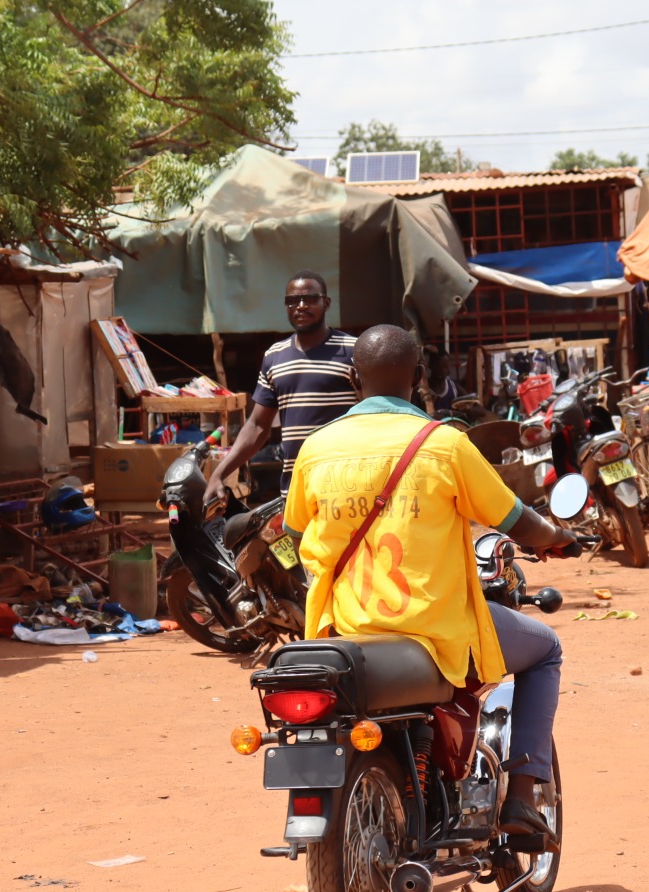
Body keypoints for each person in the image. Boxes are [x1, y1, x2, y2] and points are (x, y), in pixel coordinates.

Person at [284, 325, 578, 841]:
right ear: (419, 377)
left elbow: (293, 533)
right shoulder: (444, 445)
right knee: (546, 649)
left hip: (343, 632)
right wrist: (557, 536)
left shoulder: (316, 447)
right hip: (435, 632)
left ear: (354, 379)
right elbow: (514, 519)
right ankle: (526, 795)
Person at [203, 271, 357, 503]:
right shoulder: (275, 356)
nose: (301, 306)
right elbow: (257, 426)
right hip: (296, 492)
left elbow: (375, 414)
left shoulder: (354, 350)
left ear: (326, 303)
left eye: (310, 299)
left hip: (347, 488)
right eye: (292, 301)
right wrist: (219, 474)